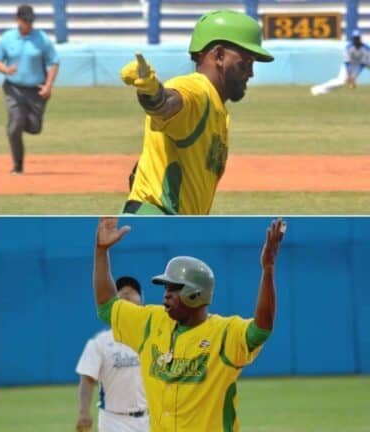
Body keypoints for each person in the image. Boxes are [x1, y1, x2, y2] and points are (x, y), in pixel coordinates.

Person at [93, 217, 285, 431]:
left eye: (174, 288)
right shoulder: (151, 321)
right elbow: (107, 307)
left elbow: (261, 329)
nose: (166, 295)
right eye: (165, 288)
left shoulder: (224, 334)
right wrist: (101, 251)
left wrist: (268, 270)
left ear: (196, 294)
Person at [120, 10, 273, 215]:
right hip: (155, 222)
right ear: (219, 55)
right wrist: (152, 94)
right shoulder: (197, 90)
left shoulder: (217, 109)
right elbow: (167, 104)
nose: (251, 73)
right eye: (245, 64)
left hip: (175, 225)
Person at [0, 4, 59, 174]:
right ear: (18, 20)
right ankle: (18, 165)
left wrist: (48, 85)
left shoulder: (42, 39)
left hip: (36, 90)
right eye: (25, 21)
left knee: (35, 127)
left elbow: (54, 62)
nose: (28, 24)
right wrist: (6, 70)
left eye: (31, 21)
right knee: (15, 125)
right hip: (13, 88)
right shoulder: (7, 38)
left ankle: (19, 123)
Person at [75, 276, 148, 432]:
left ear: (142, 302)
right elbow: (87, 379)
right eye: (120, 291)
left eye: (132, 291)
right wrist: (84, 412)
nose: (126, 293)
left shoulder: (153, 338)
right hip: (114, 421)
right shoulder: (100, 343)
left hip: (150, 418)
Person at [311, 29, 370, 95]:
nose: (356, 40)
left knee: (344, 80)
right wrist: (349, 75)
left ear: (360, 39)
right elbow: (347, 63)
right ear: (353, 39)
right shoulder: (348, 48)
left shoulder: (366, 49)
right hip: (350, 64)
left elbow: (362, 64)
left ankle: (322, 89)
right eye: (355, 38)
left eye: (357, 38)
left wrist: (354, 77)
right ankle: (318, 88)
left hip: (362, 63)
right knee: (341, 81)